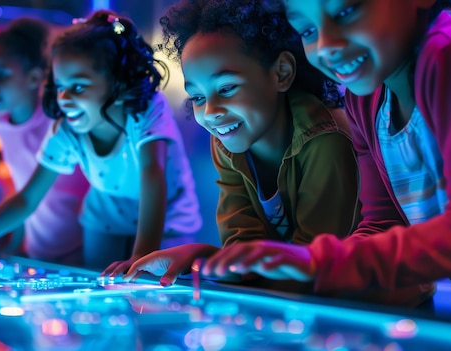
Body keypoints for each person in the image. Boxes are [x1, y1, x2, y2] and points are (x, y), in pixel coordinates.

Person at [194, 0, 451, 317]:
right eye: (309, 30)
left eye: (346, 11)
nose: (326, 46)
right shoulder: (363, 100)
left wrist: (318, 261)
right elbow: (383, 223)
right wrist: (209, 262)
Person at [0, 10, 202, 275]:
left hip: (168, 214)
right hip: (105, 213)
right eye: (61, 87)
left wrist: (141, 256)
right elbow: (27, 199)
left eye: (78, 87)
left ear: (119, 82)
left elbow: (152, 174)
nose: (63, 98)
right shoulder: (68, 131)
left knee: (158, 289)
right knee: (101, 286)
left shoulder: (145, 106)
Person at [125, 0, 362, 295]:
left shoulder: (325, 139)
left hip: (367, 306)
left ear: (282, 73)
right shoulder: (227, 142)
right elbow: (244, 249)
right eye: (197, 97)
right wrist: (205, 259)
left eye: (226, 88)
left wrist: (210, 259)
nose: (211, 112)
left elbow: (310, 267)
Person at [0, 18, 88, 265]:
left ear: (34, 78)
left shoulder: (60, 120)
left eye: (1, 75)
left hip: (83, 252)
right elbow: (23, 188)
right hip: (38, 254)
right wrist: (15, 242)